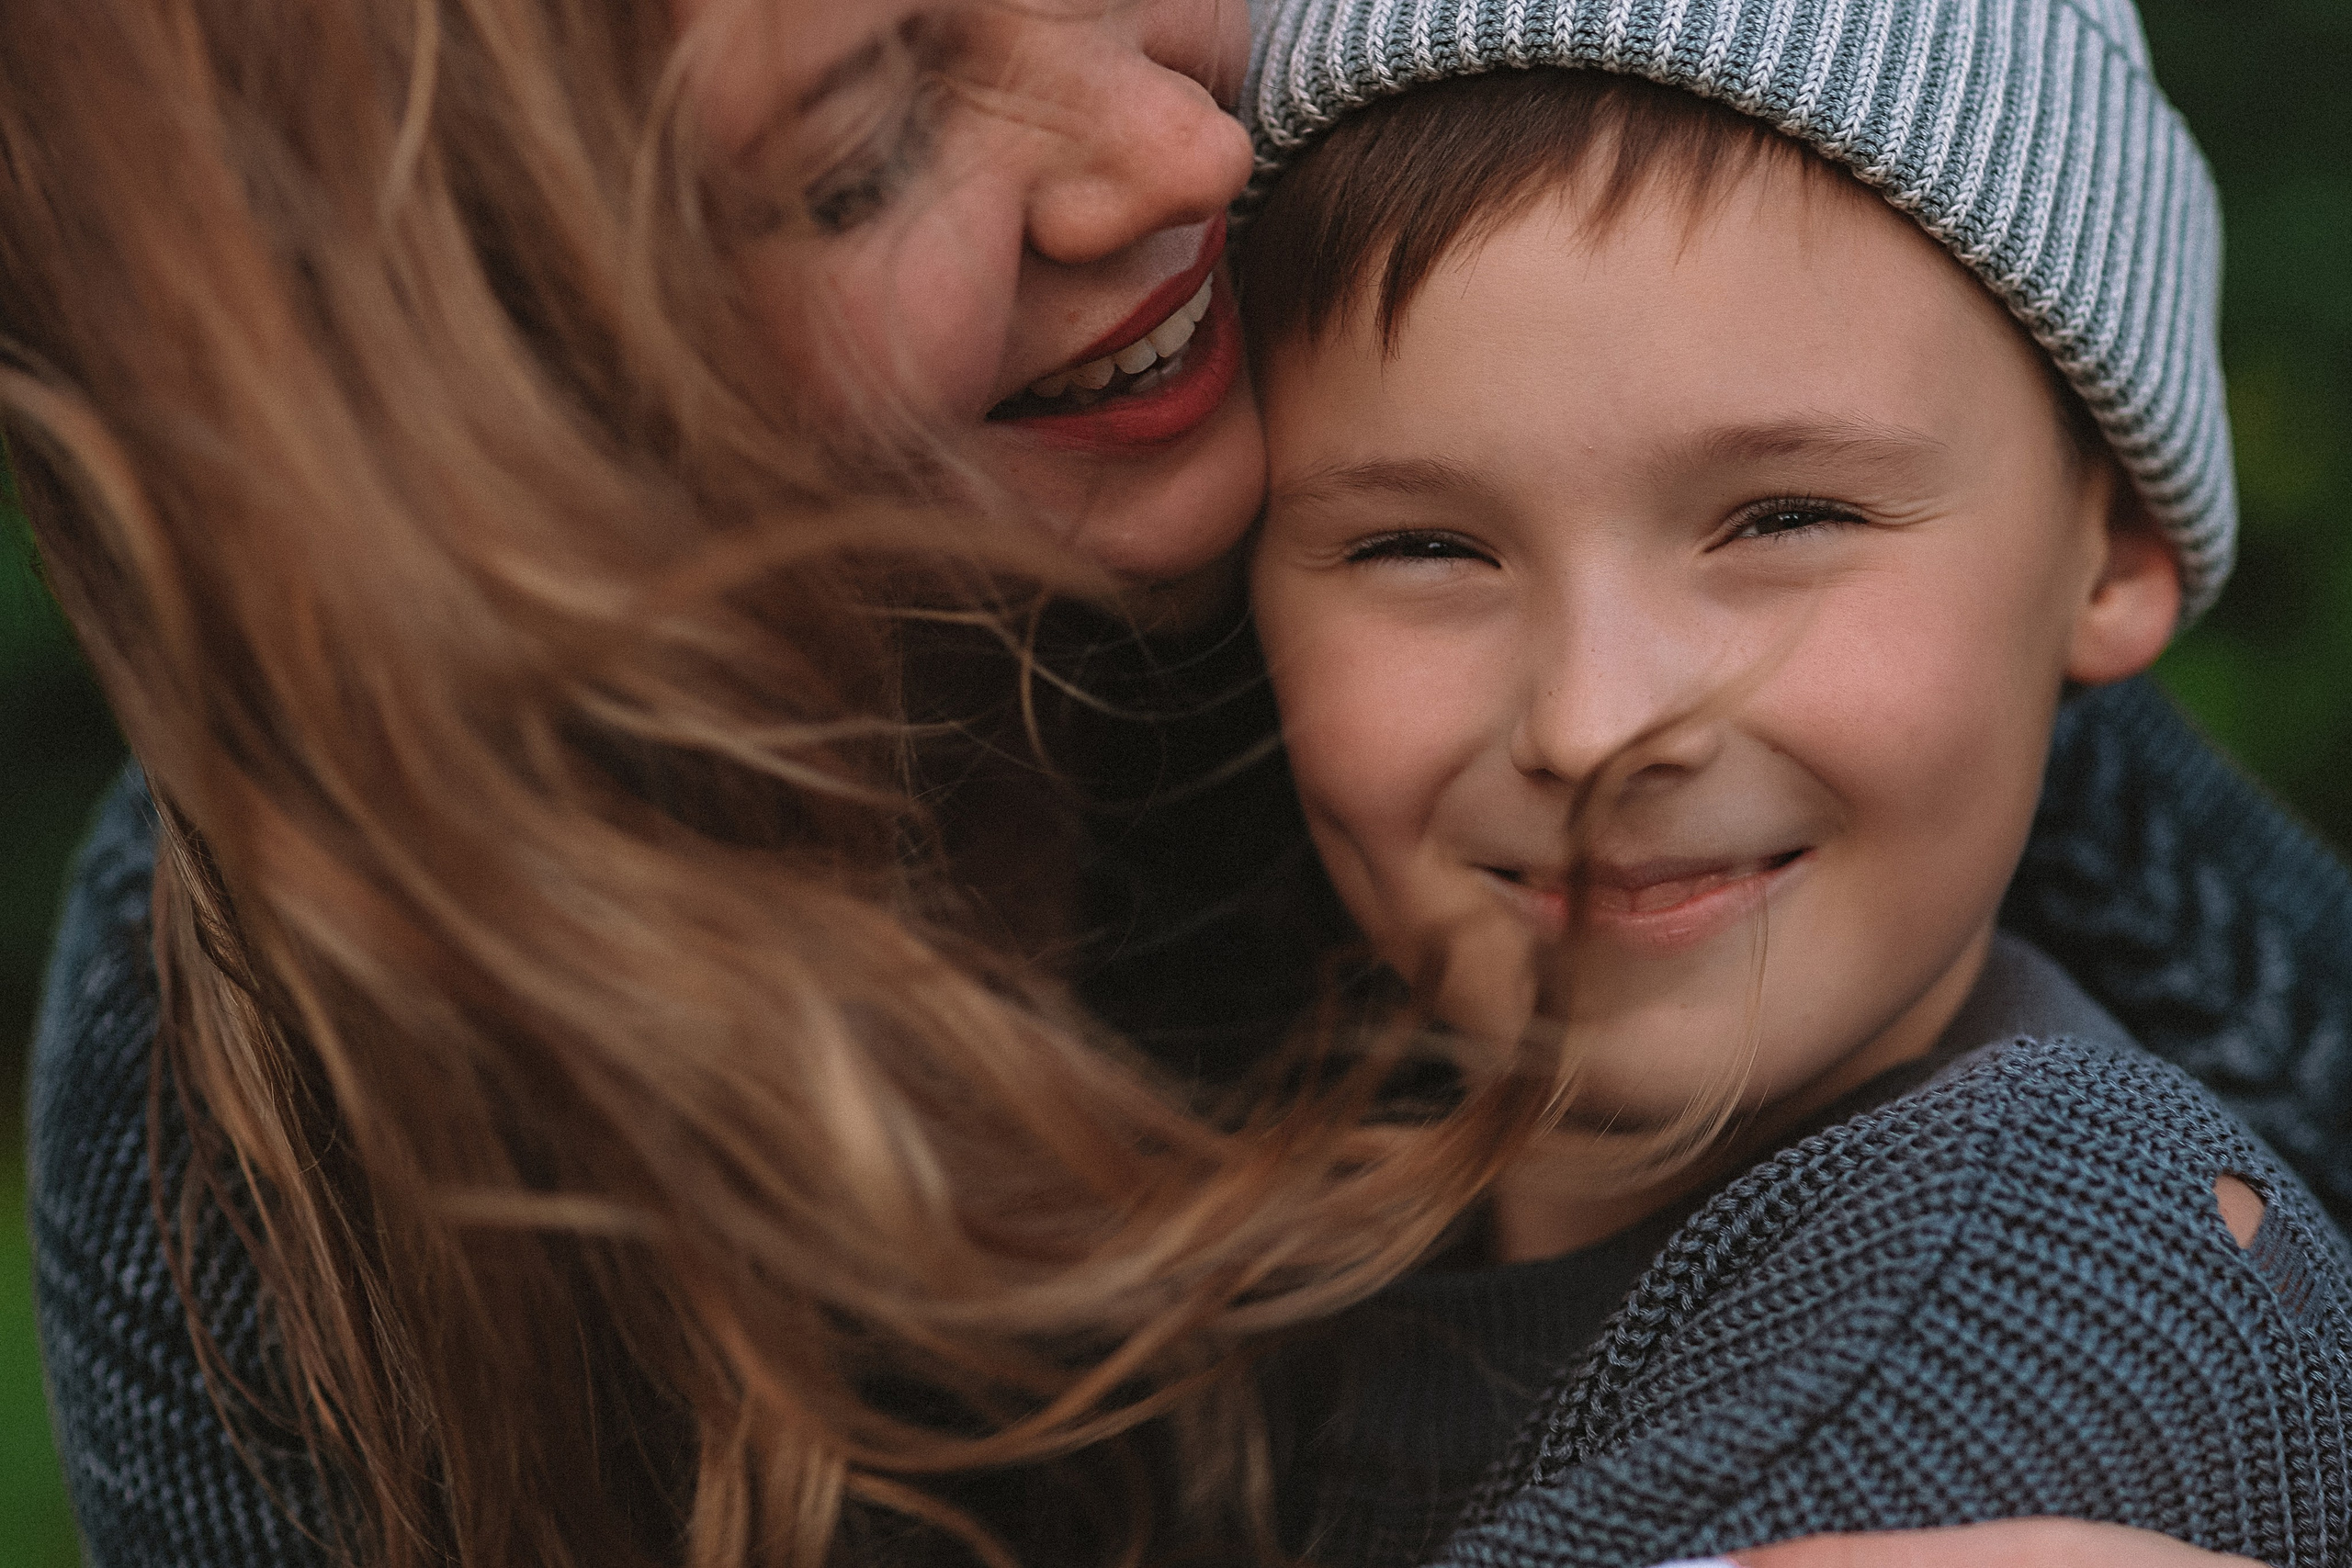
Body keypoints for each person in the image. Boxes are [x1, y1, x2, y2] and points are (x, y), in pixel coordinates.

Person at [3, 0, 2343, 1566]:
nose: (1182, 148)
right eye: (860, 156)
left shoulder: (2038, 1196)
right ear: (504, 389)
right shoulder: (281, 1143)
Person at [1233, 4, 2352, 1564]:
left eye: (1782, 519)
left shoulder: (2047, 1302)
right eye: (1422, 546)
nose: (1592, 718)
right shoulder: (1209, 1228)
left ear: (2119, 551)